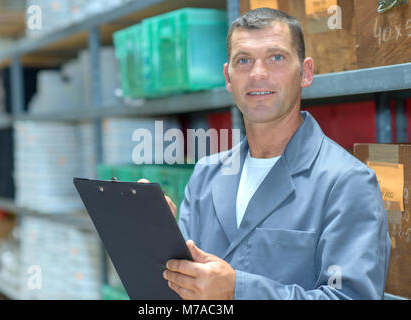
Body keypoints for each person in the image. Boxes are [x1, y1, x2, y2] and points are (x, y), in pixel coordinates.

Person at [140, 7, 390, 300]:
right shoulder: (205, 175)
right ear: (228, 77)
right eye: (243, 60)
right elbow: (176, 291)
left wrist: (239, 291)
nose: (258, 74)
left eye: (276, 58)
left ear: (306, 72)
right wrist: (160, 239)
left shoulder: (347, 183)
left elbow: (350, 296)